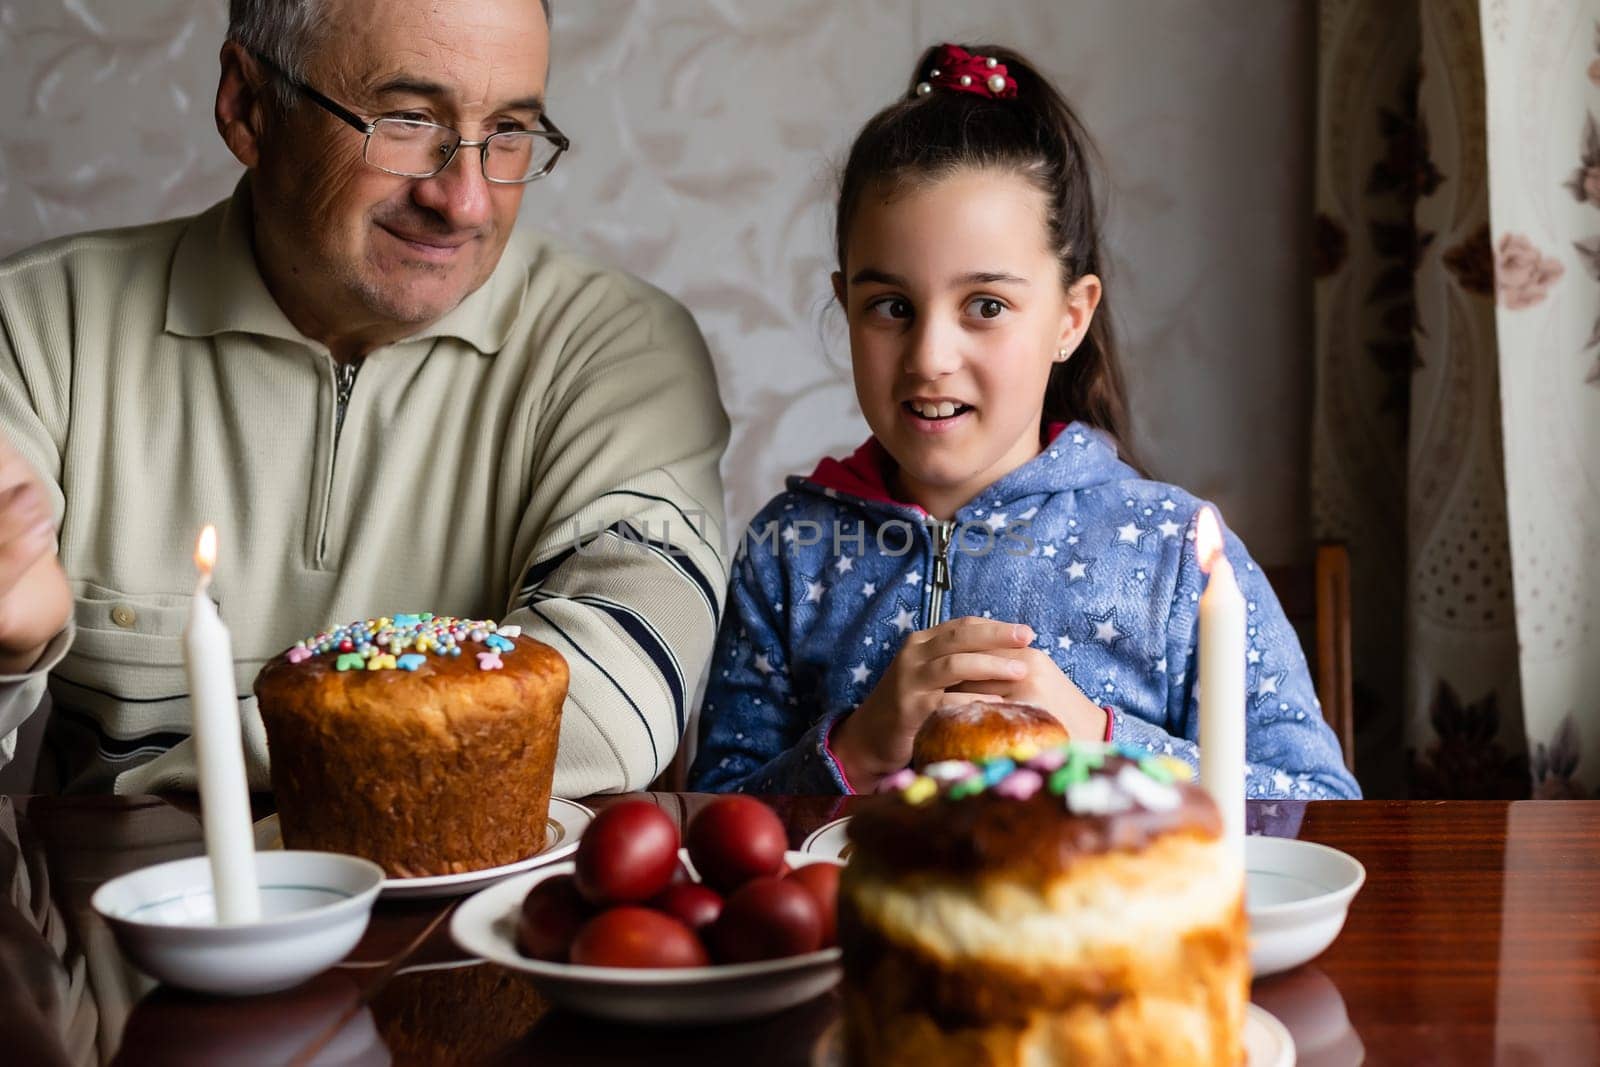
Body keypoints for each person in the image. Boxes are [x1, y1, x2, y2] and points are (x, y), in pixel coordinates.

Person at [0, 0, 729, 797]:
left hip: (480, 922)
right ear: (248, 107)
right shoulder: (35, 328)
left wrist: (162, 788)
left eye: (511, 130)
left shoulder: (623, 351)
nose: (466, 202)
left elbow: (611, 703)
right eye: (410, 118)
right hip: (134, 920)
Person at [689, 44, 1359, 799]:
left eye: (986, 306)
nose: (931, 356)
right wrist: (851, 749)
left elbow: (1322, 807)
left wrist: (1102, 739)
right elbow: (713, 822)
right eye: (893, 307)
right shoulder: (787, 554)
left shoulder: (1176, 557)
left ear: (1071, 318)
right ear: (847, 305)